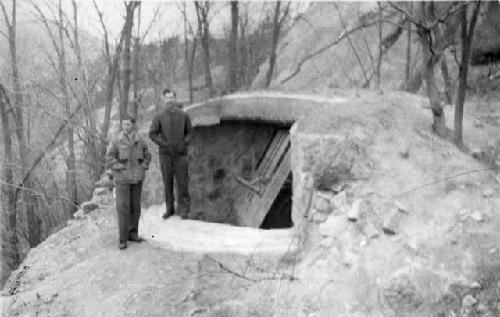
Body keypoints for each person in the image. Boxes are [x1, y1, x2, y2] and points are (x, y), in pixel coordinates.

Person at [106, 114, 151, 250]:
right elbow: (109, 158)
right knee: (123, 208)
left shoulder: (140, 140)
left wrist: (143, 167)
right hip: (122, 180)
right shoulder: (116, 141)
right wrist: (121, 168)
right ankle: (123, 239)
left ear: (133, 125)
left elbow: (147, 155)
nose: (126, 127)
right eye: (124, 124)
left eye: (128, 124)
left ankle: (133, 234)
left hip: (136, 179)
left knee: (135, 208)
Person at [149, 88, 192, 220]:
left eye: (172, 97)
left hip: (181, 155)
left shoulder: (184, 116)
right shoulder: (159, 117)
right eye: (167, 98)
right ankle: (169, 209)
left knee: (182, 183)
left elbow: (190, 133)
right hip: (165, 155)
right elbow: (152, 134)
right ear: (163, 99)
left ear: (175, 99)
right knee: (167, 183)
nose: (170, 100)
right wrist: (162, 143)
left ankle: (184, 210)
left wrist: (184, 143)